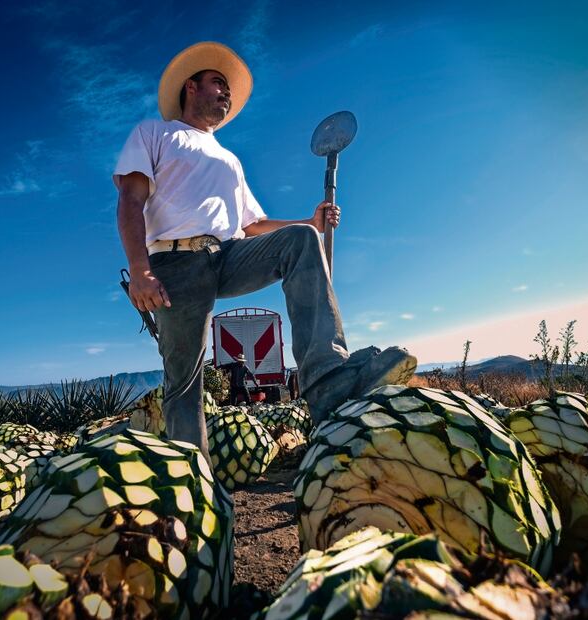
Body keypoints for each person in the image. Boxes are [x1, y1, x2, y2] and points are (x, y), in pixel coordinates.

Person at [114, 42, 416, 459]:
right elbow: (130, 200)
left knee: (301, 241)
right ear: (191, 87)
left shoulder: (229, 160)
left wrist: (310, 222)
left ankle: (327, 381)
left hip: (228, 254)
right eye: (217, 82)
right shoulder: (155, 134)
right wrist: (140, 270)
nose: (226, 91)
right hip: (174, 263)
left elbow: (253, 225)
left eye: (227, 87)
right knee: (184, 383)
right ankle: (195, 479)